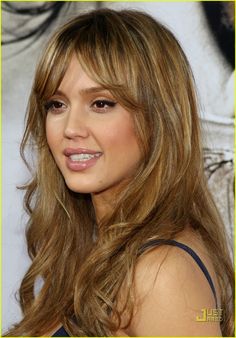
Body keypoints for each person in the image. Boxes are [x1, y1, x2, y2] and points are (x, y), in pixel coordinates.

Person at [5, 8, 234, 337]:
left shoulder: (160, 273)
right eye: (57, 104)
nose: (70, 128)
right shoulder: (93, 254)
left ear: (157, 118)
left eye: (101, 103)